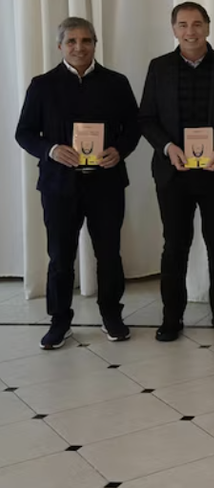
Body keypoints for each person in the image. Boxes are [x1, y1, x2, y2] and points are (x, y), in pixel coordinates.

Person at [16, 17, 140, 349]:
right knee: (60, 257)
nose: (79, 47)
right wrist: (51, 150)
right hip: (59, 187)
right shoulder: (42, 85)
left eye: (86, 41)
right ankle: (59, 321)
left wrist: (119, 150)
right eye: (71, 41)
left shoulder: (116, 83)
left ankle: (111, 315)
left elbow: (134, 128)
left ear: (95, 45)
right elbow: (24, 133)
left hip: (106, 184)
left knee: (109, 254)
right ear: (60, 46)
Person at [139, 2, 214, 342]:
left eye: (197, 24)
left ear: (208, 27)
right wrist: (168, 148)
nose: (191, 31)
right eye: (183, 24)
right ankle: (171, 317)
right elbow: (146, 119)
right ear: (173, 29)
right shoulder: (159, 68)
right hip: (174, 173)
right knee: (174, 246)